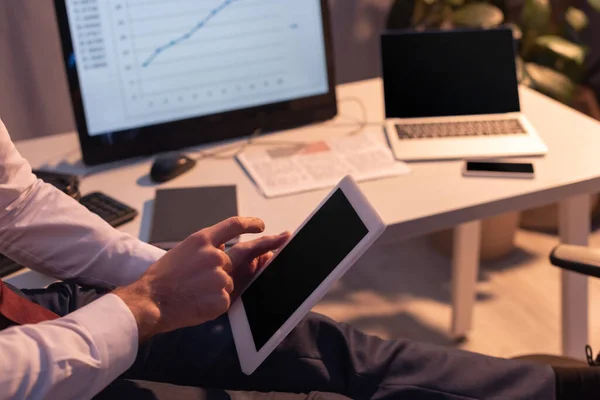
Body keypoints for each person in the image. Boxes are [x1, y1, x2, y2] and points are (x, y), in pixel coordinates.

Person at [0, 118, 598, 400]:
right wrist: (148, 303)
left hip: (23, 313)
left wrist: (162, 275)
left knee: (308, 341)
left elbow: (17, 203)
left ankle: (568, 389)